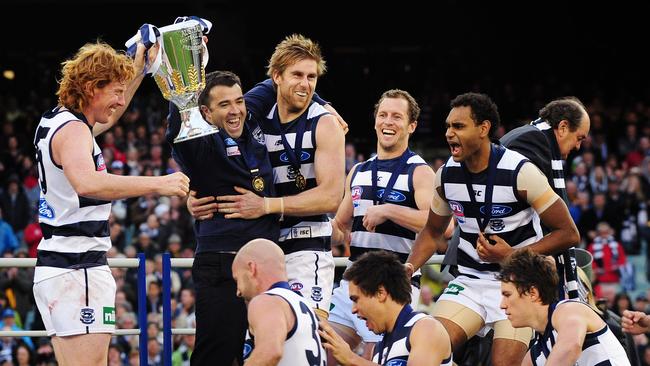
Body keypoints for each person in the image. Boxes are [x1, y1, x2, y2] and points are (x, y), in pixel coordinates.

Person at [31, 41, 189, 366]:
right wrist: (159, 184)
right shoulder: (74, 131)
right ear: (91, 88)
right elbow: (88, 183)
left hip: (66, 267)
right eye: (115, 92)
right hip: (77, 268)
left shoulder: (61, 121)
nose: (120, 101)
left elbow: (108, 120)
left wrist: (140, 72)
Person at [405, 92, 580, 365]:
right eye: (448, 127)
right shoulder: (446, 175)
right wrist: (410, 266)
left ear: (484, 129)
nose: (449, 134)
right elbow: (432, 232)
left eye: (458, 126)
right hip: (470, 282)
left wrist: (513, 256)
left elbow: (569, 234)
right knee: (426, 347)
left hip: (518, 284)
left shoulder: (521, 172)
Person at [213, 34, 346, 318]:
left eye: (312, 77)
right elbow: (216, 154)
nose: (305, 83)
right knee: (262, 337)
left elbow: (331, 197)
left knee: (307, 332)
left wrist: (266, 206)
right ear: (277, 77)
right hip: (262, 244)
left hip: (307, 243)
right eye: (297, 74)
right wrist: (193, 194)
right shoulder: (255, 118)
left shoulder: (325, 124)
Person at [165, 70, 279, 366]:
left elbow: (283, 76)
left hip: (265, 270)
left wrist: (322, 103)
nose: (235, 110)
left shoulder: (247, 114)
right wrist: (181, 72)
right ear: (206, 112)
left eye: (239, 101)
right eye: (224, 105)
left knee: (268, 353)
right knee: (216, 357)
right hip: (223, 266)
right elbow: (179, 123)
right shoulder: (201, 145)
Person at [327, 89, 435, 359]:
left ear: (411, 126)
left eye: (397, 117)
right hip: (351, 282)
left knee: (374, 359)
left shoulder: (419, 171)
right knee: (321, 349)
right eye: (383, 115)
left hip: (392, 287)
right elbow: (341, 228)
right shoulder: (359, 171)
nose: (388, 122)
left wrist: (389, 210)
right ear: (375, 121)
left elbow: (438, 226)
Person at [500, 96, 591, 300]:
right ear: (563, 127)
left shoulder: (525, 134)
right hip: (493, 253)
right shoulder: (533, 141)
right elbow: (553, 222)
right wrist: (520, 254)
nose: (578, 147)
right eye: (580, 138)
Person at [498, 248, 630, 365]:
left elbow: (570, 348)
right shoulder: (534, 356)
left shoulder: (569, 310)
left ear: (533, 293)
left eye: (507, 295)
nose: (502, 305)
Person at [319, 250, 452, 365]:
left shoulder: (426, 327)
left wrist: (352, 359)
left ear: (381, 293)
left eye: (356, 300)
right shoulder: (379, 348)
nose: (353, 309)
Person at [232, 238, 326, 366]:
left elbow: (270, 353)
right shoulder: (304, 304)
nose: (238, 291)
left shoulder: (266, 301)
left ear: (252, 268)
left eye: (237, 280)